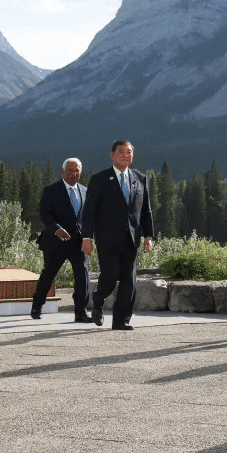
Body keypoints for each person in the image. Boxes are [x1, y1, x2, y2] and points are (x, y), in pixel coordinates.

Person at [81, 141, 154, 331]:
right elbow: (89, 211)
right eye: (121, 151)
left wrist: (148, 236)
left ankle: (121, 321)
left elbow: (146, 210)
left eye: (129, 152)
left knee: (129, 280)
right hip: (107, 238)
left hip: (131, 237)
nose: (125, 155)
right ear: (112, 154)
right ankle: (98, 298)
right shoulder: (100, 179)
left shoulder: (140, 179)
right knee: (110, 275)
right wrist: (86, 237)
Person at [30, 158, 91, 322]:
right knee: (49, 274)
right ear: (62, 172)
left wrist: (88, 238)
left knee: (83, 275)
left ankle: (81, 312)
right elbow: (45, 214)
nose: (74, 173)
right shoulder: (51, 190)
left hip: (78, 242)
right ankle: (37, 305)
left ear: (80, 172)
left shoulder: (85, 191)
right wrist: (56, 228)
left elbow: (88, 217)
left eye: (77, 171)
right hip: (55, 241)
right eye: (70, 170)